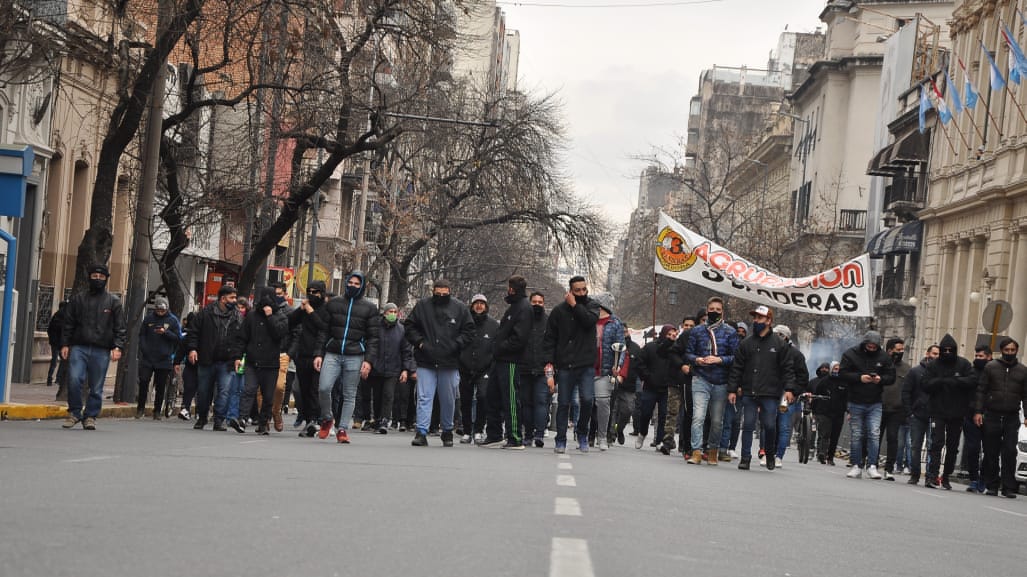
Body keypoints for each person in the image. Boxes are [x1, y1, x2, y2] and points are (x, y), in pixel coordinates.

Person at [405, 279, 475, 447]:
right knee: (424, 397)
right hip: (426, 359)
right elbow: (409, 326)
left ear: (450, 292)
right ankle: (421, 431)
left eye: (445, 294)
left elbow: (469, 330)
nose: (442, 296)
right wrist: (420, 343)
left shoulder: (459, 308)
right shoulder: (422, 306)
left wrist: (456, 344)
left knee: (448, 398)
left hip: (449, 361)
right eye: (438, 294)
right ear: (433, 292)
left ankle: (447, 430)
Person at [313, 271, 380, 443]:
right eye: (351, 283)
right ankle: (327, 418)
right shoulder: (333, 303)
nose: (353, 286)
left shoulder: (370, 308)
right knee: (324, 387)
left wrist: (368, 361)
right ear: (346, 283)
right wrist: (318, 354)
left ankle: (342, 428)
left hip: (355, 354)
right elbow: (323, 331)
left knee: (349, 393)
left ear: (363, 286)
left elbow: (373, 337)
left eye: (357, 284)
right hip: (333, 352)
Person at [60, 264, 127, 430]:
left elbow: (120, 327)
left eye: (101, 277)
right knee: (74, 379)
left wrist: (118, 347)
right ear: (89, 277)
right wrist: (65, 344)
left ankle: (90, 416)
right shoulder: (78, 299)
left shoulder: (113, 302)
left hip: (101, 349)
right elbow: (68, 323)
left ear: (106, 279)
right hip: (79, 347)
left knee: (96, 386)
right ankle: (75, 412)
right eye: (94, 276)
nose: (98, 279)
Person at [728, 305, 795, 471]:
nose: (756, 321)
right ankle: (745, 457)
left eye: (760, 318)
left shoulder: (779, 344)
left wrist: (789, 389)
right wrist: (732, 389)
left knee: (770, 425)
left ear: (769, 321)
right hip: (750, 391)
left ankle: (770, 454)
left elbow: (787, 368)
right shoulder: (746, 343)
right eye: (755, 318)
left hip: (771, 392)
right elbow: (737, 367)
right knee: (748, 424)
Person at [542, 275, 601, 453]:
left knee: (588, 400)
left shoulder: (592, 306)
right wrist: (549, 364)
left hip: (586, 365)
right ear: (570, 291)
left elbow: (589, 321)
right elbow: (550, 339)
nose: (582, 293)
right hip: (565, 364)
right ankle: (560, 439)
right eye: (578, 291)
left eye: (584, 289)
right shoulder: (559, 311)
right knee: (564, 403)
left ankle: (582, 433)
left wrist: (575, 305)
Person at [679, 296, 739, 465]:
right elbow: (687, 353)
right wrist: (696, 359)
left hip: (720, 382)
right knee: (698, 416)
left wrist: (720, 360)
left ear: (723, 312)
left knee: (717, 421)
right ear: (707, 310)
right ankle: (696, 451)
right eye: (711, 309)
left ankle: (712, 450)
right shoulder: (697, 331)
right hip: (701, 379)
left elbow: (736, 358)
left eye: (718, 310)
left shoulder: (730, 332)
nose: (714, 312)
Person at [232, 286, 290, 434]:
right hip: (253, 361)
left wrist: (270, 317)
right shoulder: (251, 316)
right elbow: (242, 338)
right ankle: (242, 419)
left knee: (268, 395)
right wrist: (238, 356)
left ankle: (263, 423)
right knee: (249, 389)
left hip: (270, 363)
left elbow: (279, 334)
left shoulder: (280, 315)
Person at [974, 337, 1027, 498]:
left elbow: (1026, 395)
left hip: (1012, 416)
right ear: (1001, 351)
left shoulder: (1023, 370)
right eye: (1007, 350)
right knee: (991, 451)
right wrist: (978, 411)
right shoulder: (991, 367)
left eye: (1013, 350)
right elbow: (981, 390)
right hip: (992, 415)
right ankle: (992, 485)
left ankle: (1008, 487)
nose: (1010, 353)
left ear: (1016, 351)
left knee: (1010, 451)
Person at [840, 330, 896, 480]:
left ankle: (872, 465)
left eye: (874, 347)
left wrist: (880, 379)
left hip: (875, 402)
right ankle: (856, 465)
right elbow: (842, 374)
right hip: (855, 400)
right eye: (869, 346)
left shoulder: (884, 357)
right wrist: (859, 378)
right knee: (857, 434)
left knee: (874, 433)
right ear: (864, 344)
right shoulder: (850, 354)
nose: (871, 349)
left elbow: (891, 377)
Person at [922, 334, 976, 489]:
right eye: (944, 350)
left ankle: (946, 476)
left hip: (957, 412)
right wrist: (941, 381)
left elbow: (972, 381)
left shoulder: (964, 364)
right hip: (937, 410)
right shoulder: (933, 365)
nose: (947, 353)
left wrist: (956, 381)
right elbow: (925, 384)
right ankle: (931, 476)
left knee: (952, 446)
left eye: (950, 350)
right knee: (936, 444)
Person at [187, 285, 242, 431]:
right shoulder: (206, 313)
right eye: (232, 298)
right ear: (223, 299)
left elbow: (240, 340)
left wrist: (237, 357)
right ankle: (202, 417)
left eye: (235, 297)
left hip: (227, 361)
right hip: (207, 359)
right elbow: (193, 332)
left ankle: (219, 420)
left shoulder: (237, 316)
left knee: (224, 391)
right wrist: (193, 349)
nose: (234, 301)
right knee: (204, 391)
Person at [493, 277, 534, 450]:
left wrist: (500, 347)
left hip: (511, 359)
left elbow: (519, 338)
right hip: (501, 358)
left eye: (510, 288)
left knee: (510, 398)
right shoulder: (515, 307)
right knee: (493, 396)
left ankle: (515, 437)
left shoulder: (523, 308)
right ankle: (494, 435)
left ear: (513, 289)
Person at [362, 303, 414, 434]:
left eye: (395, 312)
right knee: (378, 395)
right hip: (377, 368)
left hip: (393, 368)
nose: (393, 314)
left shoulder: (402, 330)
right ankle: (378, 419)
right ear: (384, 313)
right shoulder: (376, 328)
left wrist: (405, 369)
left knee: (388, 394)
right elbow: (370, 345)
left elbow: (406, 351)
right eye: (390, 311)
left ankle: (385, 420)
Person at [288, 281, 328, 437]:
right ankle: (307, 419)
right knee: (301, 390)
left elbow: (323, 328)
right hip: (303, 354)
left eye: (316, 292)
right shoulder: (305, 309)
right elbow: (291, 321)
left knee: (314, 389)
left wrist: (311, 311)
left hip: (318, 355)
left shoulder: (325, 309)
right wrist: (301, 309)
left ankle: (315, 420)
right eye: (309, 291)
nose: (312, 295)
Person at [460, 294, 500, 446]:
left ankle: (478, 429)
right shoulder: (464, 323)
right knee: (465, 400)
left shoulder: (494, 325)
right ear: (471, 306)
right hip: (465, 367)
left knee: (483, 397)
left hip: (485, 369)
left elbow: (496, 348)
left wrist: (491, 367)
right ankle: (466, 430)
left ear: (486, 306)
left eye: (482, 303)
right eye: (476, 303)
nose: (479, 306)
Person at [634, 325, 679, 451]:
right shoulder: (651, 347)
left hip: (667, 388)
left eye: (673, 335)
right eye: (668, 334)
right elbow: (639, 363)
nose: (670, 337)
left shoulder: (675, 349)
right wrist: (647, 376)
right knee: (646, 412)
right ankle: (642, 433)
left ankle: (659, 440)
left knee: (663, 415)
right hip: (650, 386)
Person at [590, 292, 625, 451]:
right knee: (583, 402)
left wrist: (618, 365)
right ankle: (582, 433)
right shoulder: (588, 320)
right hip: (585, 368)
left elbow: (621, 348)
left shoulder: (615, 323)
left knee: (603, 403)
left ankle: (602, 436)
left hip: (604, 371)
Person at [136, 297, 181, 420]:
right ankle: (140, 408)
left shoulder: (172, 321)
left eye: (163, 310)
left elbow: (178, 338)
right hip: (148, 357)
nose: (160, 312)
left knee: (161, 385)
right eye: (158, 310)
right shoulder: (149, 319)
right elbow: (142, 335)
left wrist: (165, 332)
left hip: (164, 358)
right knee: (144, 382)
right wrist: (144, 349)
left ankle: (157, 411)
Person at [901, 344, 939, 485]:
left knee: (932, 446)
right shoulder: (915, 371)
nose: (936, 356)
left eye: (938, 354)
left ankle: (930, 476)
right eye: (934, 353)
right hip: (917, 415)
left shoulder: (942, 373)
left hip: (935, 415)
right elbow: (906, 392)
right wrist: (909, 412)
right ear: (928, 353)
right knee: (915, 446)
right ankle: (915, 474)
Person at [771, 325, 808, 466]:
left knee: (784, 425)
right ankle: (767, 452)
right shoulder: (769, 350)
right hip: (770, 392)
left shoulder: (797, 355)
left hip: (787, 396)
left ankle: (779, 456)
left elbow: (803, 377)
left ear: (785, 336)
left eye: (778, 334)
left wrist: (793, 391)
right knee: (769, 423)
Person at [520, 292, 552, 447]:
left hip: (543, 369)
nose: (537, 304)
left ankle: (539, 434)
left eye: (540, 302)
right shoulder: (522, 320)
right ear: (529, 302)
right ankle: (528, 434)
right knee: (526, 403)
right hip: (524, 368)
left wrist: (552, 371)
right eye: (534, 301)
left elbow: (554, 346)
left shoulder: (549, 322)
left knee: (541, 402)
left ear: (544, 304)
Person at [963, 345, 992, 492]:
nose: (978, 359)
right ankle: (973, 478)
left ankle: (983, 479)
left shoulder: (994, 371)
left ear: (989, 357)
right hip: (970, 415)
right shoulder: (970, 372)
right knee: (972, 448)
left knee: (989, 449)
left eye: (981, 356)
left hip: (990, 416)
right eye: (976, 356)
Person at [880, 338, 909, 480]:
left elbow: (908, 390)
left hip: (896, 410)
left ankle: (889, 468)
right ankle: (869, 463)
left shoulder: (906, 369)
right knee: (874, 437)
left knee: (893, 438)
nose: (901, 352)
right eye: (898, 350)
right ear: (890, 350)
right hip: (878, 407)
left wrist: (906, 409)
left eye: (902, 350)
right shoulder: (880, 364)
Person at [269, 282, 296, 432]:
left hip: (282, 354)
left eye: (279, 294)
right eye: (274, 294)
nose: (276, 297)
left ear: (285, 294)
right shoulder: (265, 310)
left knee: (279, 387)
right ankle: (264, 417)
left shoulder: (290, 312)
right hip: (265, 354)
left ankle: (276, 412)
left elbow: (296, 334)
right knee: (262, 389)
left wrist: (290, 353)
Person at [812, 362, 846, 465]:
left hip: (839, 413)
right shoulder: (824, 381)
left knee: (835, 436)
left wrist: (848, 410)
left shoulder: (844, 383)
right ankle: (822, 453)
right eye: (835, 369)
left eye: (838, 369)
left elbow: (847, 398)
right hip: (825, 412)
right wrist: (814, 411)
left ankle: (830, 457)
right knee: (825, 434)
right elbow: (816, 396)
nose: (837, 371)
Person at [174, 312, 198, 420]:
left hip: (204, 365)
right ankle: (186, 408)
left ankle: (200, 410)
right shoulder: (186, 337)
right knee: (189, 386)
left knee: (202, 389)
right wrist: (177, 362)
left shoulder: (206, 335)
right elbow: (181, 350)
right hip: (190, 365)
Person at [47, 301, 68, 387]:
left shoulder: (55, 316)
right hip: (61, 343)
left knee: (54, 360)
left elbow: (49, 330)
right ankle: (58, 378)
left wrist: (52, 340)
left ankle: (49, 378)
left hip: (54, 343)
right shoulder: (65, 317)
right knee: (63, 360)